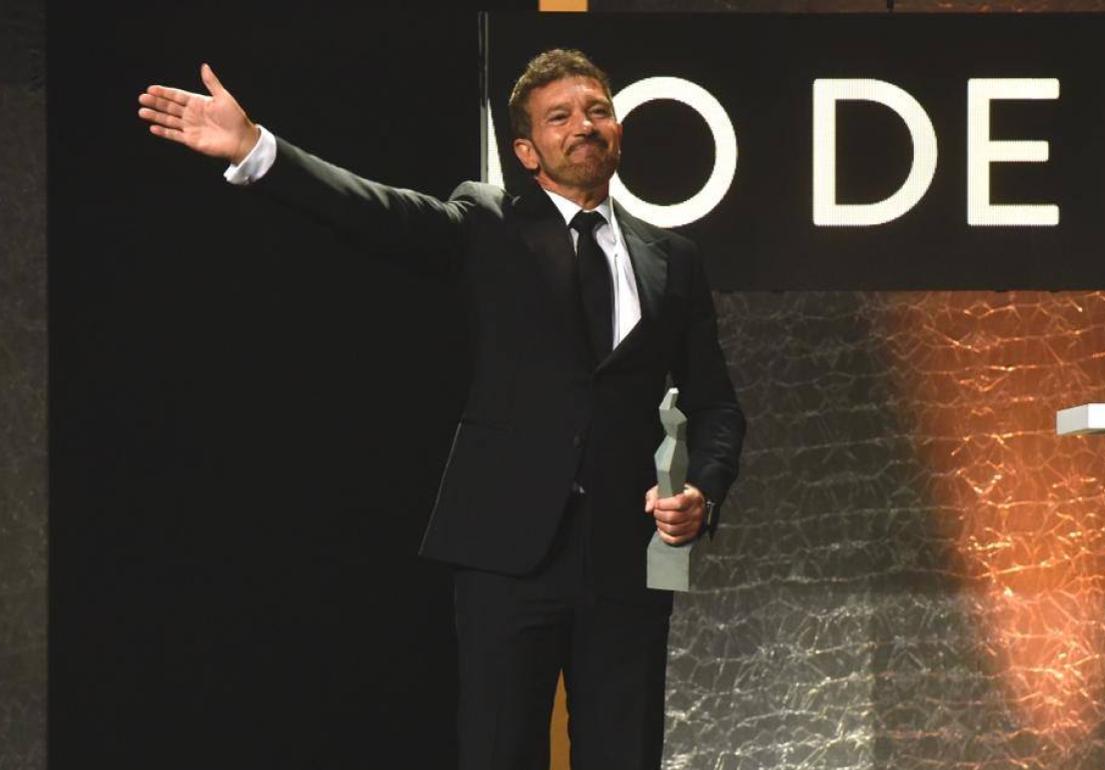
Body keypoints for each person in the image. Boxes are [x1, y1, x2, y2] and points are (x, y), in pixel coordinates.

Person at [137, 49, 745, 770]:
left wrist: (701, 492)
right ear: (527, 151)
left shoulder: (672, 258)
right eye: (561, 117)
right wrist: (258, 151)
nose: (585, 125)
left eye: (597, 110)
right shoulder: (489, 222)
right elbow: (375, 210)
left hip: (624, 566)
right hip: (506, 557)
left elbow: (716, 407)